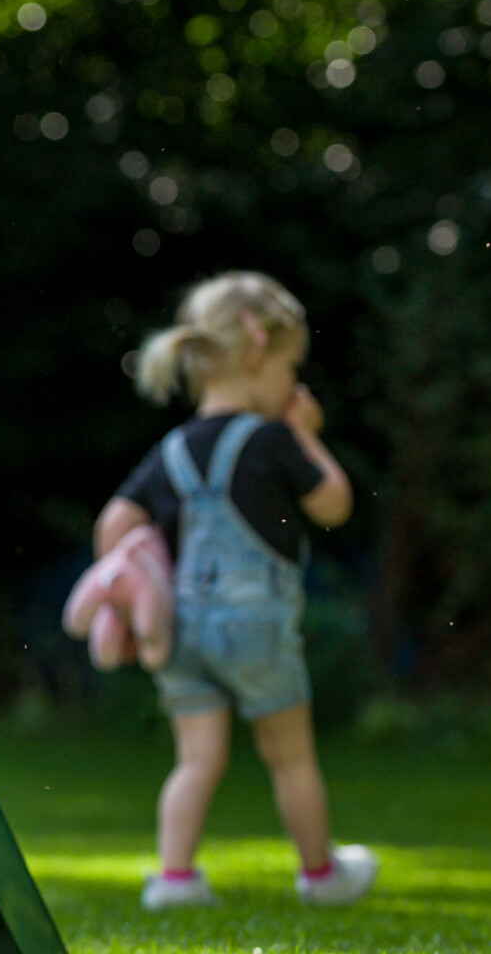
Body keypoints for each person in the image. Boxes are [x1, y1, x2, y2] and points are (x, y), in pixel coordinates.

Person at [93, 271, 378, 911]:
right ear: (256, 356)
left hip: (182, 632)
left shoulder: (171, 450)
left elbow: (113, 526)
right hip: (254, 626)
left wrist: (135, 594)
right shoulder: (272, 439)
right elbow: (334, 505)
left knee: (196, 759)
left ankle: (175, 881)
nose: (293, 384)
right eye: (289, 367)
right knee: (290, 756)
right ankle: (320, 876)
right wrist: (306, 433)